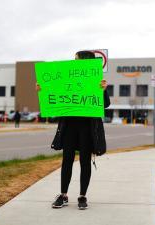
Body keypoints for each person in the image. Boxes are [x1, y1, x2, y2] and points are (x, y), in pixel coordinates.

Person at [36, 51, 110, 210]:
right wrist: (43, 90)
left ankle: (82, 196)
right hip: (69, 126)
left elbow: (105, 104)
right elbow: (54, 96)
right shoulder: (67, 77)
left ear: (85, 62)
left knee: (85, 161)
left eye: (76, 59)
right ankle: (63, 195)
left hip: (87, 128)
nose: (73, 61)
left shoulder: (96, 80)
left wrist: (103, 90)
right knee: (67, 160)